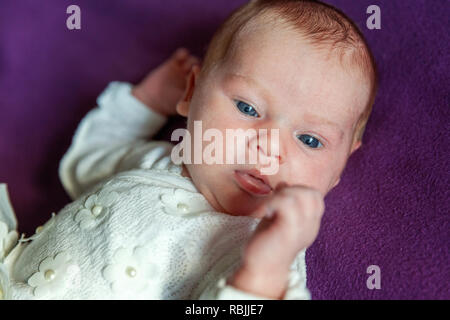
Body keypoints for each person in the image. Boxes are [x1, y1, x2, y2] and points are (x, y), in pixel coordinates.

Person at [0, 0, 377, 300]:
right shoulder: (156, 159)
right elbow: (86, 161)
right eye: (247, 108)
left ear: (341, 166)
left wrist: (261, 273)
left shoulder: (265, 247)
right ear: (192, 92)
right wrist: (146, 102)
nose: (269, 146)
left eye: (310, 140)